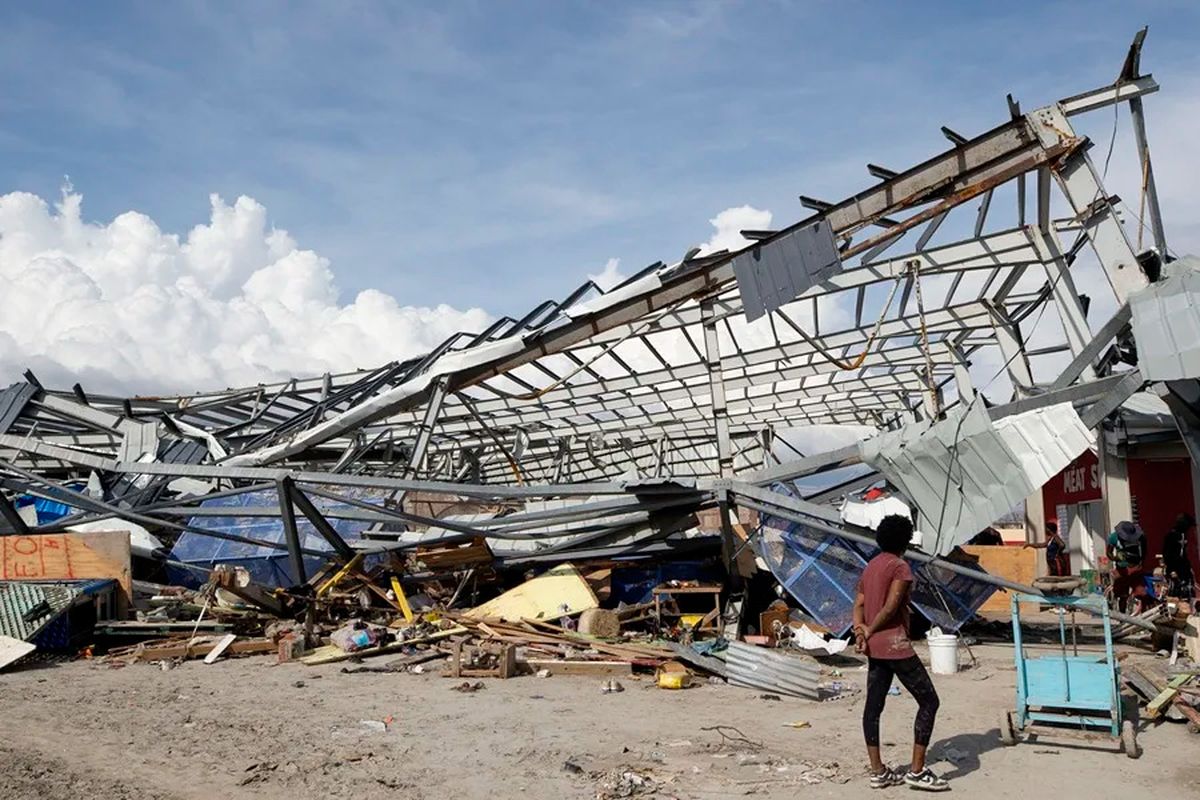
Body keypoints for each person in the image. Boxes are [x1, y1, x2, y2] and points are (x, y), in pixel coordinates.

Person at [853, 514, 948, 792]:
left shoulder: (871, 566)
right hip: (895, 645)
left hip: (875, 650)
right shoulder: (900, 567)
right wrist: (869, 630)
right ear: (906, 540)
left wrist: (860, 630)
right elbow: (892, 607)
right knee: (929, 701)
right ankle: (917, 772)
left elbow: (858, 604)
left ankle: (878, 771)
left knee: (873, 707)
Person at [1107, 521, 1147, 613]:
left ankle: (1144, 617)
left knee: (1142, 593)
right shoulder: (1114, 537)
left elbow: (1144, 549)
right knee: (1122, 595)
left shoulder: (1140, 537)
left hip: (1136, 569)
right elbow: (1109, 552)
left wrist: (1142, 561)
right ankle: (1122, 618)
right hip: (1121, 570)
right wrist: (1115, 558)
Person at [1163, 513, 1196, 599]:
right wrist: (1172, 570)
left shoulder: (1183, 535)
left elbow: (1183, 553)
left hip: (1184, 568)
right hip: (1174, 568)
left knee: (1188, 591)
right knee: (1176, 593)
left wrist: (1189, 567)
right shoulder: (1171, 536)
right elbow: (1167, 555)